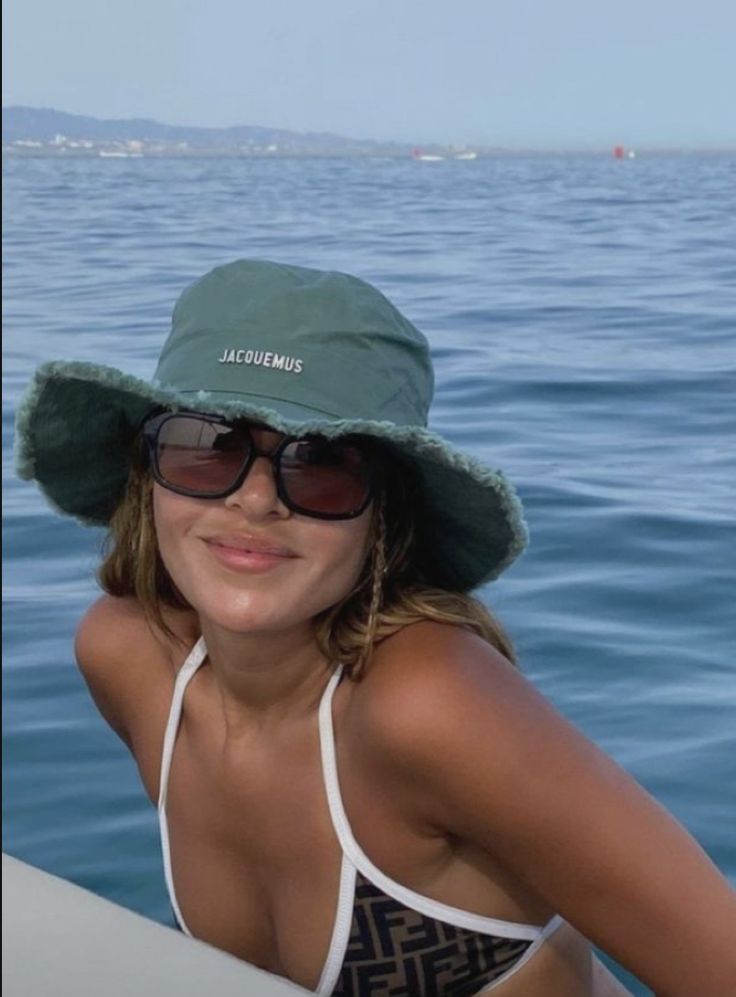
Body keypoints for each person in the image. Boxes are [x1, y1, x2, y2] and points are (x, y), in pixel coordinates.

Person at [15, 259, 736, 997]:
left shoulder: (430, 705)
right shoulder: (124, 655)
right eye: (208, 445)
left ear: (382, 513)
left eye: (324, 464)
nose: (257, 499)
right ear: (148, 471)